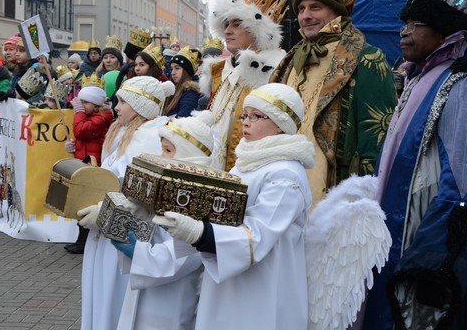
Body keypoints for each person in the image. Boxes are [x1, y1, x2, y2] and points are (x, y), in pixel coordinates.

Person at [363, 0, 467, 329]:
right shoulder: (421, 78)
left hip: (426, 250)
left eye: (416, 25)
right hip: (399, 234)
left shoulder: (465, 86)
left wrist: (431, 261)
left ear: (445, 34)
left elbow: (466, 187)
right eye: (403, 24)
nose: (403, 32)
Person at [154, 83, 315, 329]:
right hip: (228, 278)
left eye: (256, 116)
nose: (246, 122)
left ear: (281, 124)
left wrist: (201, 233)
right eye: (245, 115)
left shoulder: (286, 175)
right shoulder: (248, 161)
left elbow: (259, 234)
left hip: (263, 285)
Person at [270, 0, 397, 204]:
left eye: (315, 7)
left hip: (332, 193)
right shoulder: (290, 59)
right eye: (302, 8)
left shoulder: (367, 59)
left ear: (337, 12)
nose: (305, 16)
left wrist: (363, 201)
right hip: (281, 187)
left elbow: (378, 140)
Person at [76, 76, 174, 330]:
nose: (116, 107)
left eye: (122, 102)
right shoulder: (124, 132)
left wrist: (105, 207)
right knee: (100, 292)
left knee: (113, 295)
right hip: (106, 225)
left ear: (141, 105)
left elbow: (135, 191)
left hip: (124, 229)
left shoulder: (149, 138)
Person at [114, 110, 215, 329]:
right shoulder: (169, 188)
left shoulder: (201, 201)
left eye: (168, 150)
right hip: (147, 284)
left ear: (189, 155)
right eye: (162, 149)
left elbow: (184, 257)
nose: (161, 156)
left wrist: (138, 252)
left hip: (173, 299)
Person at [200, 0, 288, 171]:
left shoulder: (278, 70)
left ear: (257, 30)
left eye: (237, 24)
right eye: (226, 24)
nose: (228, 31)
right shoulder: (221, 71)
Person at [63, 74, 114, 255]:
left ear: (97, 103)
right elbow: (81, 137)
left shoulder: (103, 117)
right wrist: (73, 147)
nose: (82, 106)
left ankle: (85, 241)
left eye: (86, 102)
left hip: (95, 164)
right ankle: (81, 240)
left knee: (87, 202)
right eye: (81, 102)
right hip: (84, 161)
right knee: (81, 201)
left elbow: (81, 130)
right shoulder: (92, 115)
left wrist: (78, 113)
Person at [164, 46, 200, 117]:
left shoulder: (191, 94)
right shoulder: (173, 89)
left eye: (177, 68)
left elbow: (181, 121)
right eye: (171, 69)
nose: (172, 73)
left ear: (186, 71)